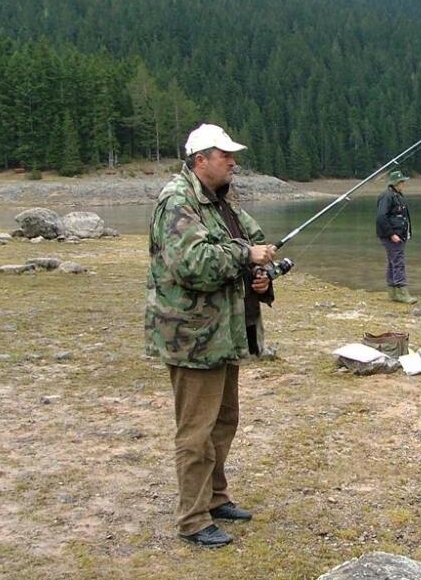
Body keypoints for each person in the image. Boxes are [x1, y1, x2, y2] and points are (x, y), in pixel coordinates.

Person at [146, 123, 277, 548]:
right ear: (200, 160)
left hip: (224, 334)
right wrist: (246, 256)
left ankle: (216, 498)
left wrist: (263, 273)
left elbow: (256, 242)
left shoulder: (222, 202)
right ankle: (192, 518)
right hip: (192, 338)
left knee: (224, 421)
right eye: (226, 156)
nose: (233, 162)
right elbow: (193, 265)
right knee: (196, 430)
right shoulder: (177, 201)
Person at [376, 170, 417, 304]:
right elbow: (381, 217)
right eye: (401, 182)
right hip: (393, 237)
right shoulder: (387, 196)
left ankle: (393, 293)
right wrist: (391, 234)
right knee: (398, 263)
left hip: (399, 236)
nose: (403, 184)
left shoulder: (397, 195)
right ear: (395, 183)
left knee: (393, 262)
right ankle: (402, 293)